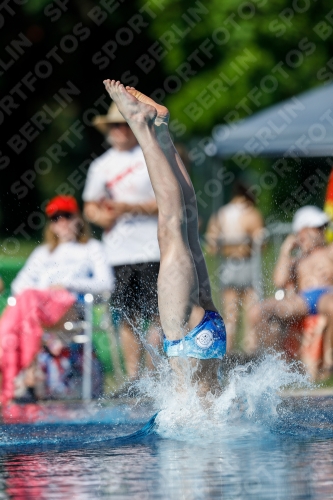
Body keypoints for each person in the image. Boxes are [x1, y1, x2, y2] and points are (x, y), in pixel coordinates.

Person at [102, 80, 226, 397]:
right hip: (191, 336)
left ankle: (156, 130)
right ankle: (147, 129)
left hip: (211, 330)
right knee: (174, 225)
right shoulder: (201, 424)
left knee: (185, 223)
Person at [0, 195, 113, 404]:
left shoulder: (91, 249)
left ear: (77, 219)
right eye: (55, 218)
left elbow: (106, 284)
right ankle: (25, 373)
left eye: (66, 216)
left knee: (23, 307)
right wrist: (42, 291)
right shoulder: (43, 253)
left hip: (71, 305)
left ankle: (23, 376)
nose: (61, 222)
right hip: (39, 307)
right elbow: (18, 285)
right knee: (27, 300)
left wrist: (69, 284)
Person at [83, 102, 161, 381]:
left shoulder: (149, 157)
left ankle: (154, 376)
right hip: (118, 253)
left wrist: (127, 208)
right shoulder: (101, 165)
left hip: (152, 247)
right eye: (114, 126)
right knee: (127, 317)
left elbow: (166, 201)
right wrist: (103, 216)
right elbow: (90, 207)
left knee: (157, 316)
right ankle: (133, 379)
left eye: (123, 125)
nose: (118, 130)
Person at [250, 205, 333, 375]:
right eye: (317, 228)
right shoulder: (297, 259)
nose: (322, 231)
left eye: (322, 227)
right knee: (258, 312)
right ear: (302, 231)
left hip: (327, 294)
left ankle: (329, 361)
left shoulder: (329, 250)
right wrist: (285, 251)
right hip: (303, 299)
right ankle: (273, 364)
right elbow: (279, 281)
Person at [205, 184, 264, 353]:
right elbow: (261, 242)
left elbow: (211, 246)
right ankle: (250, 352)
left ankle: (227, 353)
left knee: (230, 315)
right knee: (250, 313)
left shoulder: (221, 214)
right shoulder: (251, 214)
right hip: (247, 264)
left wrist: (227, 245)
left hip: (228, 264)